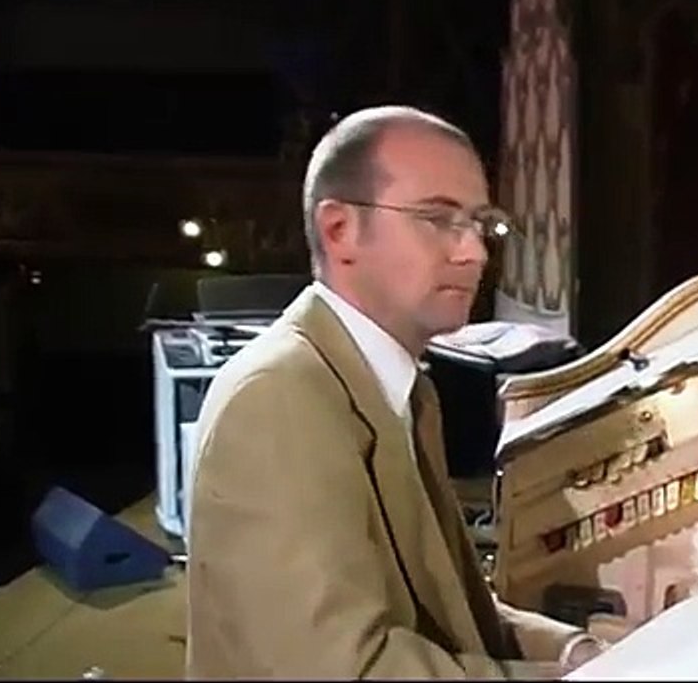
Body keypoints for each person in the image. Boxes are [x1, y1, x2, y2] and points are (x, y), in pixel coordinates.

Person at [186, 105, 608, 678]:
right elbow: (347, 671)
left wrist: (573, 651)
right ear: (340, 231)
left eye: (479, 224)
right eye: (438, 219)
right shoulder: (276, 400)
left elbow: (457, 613)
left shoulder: (404, 388)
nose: (475, 252)